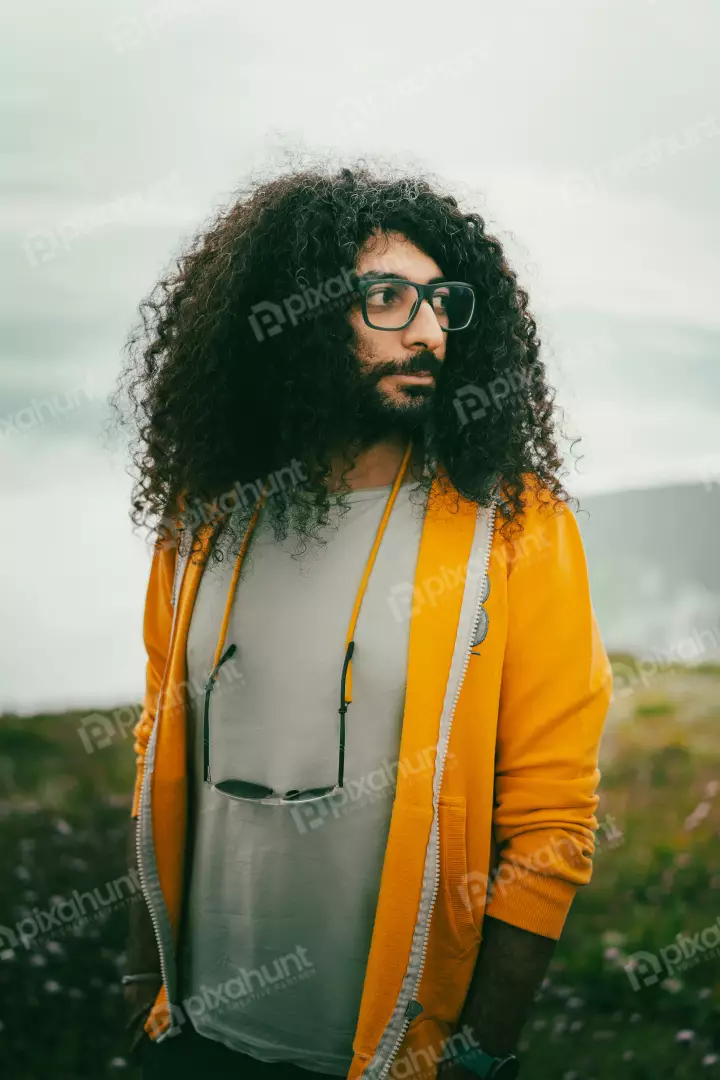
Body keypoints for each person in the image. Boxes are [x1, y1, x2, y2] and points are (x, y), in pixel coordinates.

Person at [115, 164, 612, 1080]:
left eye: (439, 301)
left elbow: (551, 820)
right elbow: (157, 750)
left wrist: (478, 1056)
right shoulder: (207, 512)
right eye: (387, 298)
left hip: (391, 1056)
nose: (428, 331)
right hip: (192, 1042)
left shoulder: (514, 524)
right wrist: (149, 1002)